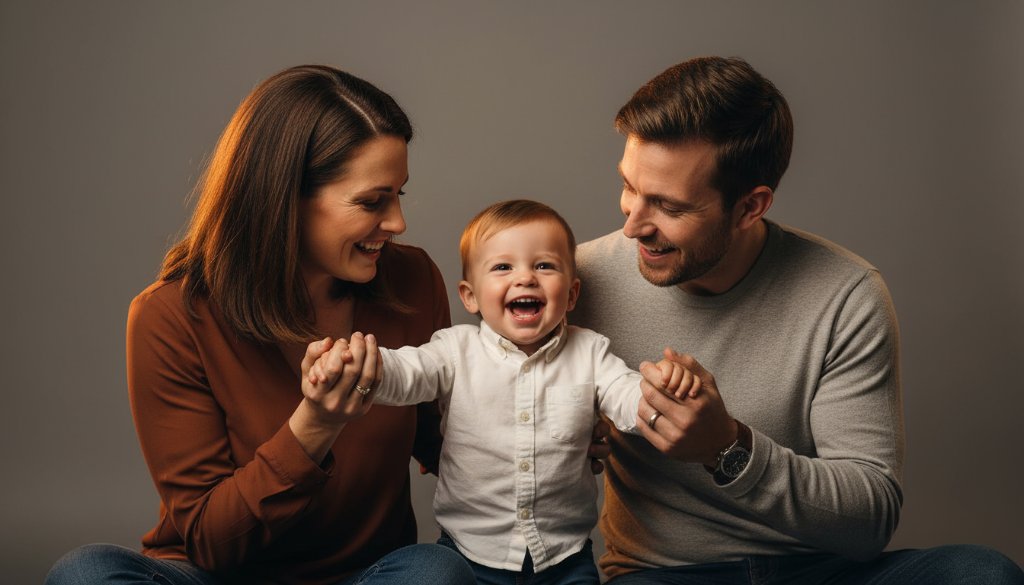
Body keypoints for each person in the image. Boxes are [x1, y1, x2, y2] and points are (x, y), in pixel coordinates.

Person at [572, 56, 1024, 584]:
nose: (632, 226)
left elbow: (870, 520)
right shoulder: (579, 283)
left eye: (668, 207)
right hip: (663, 575)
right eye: (629, 186)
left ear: (750, 206)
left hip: (822, 572)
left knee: (981, 573)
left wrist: (728, 449)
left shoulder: (845, 295)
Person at [45, 65, 481, 585]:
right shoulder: (169, 315)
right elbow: (210, 539)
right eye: (371, 201)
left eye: (398, 196)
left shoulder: (412, 279)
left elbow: (446, 439)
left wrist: (549, 424)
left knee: (437, 572)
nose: (396, 223)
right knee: (85, 573)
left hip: (369, 574)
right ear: (284, 197)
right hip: (214, 575)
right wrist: (316, 424)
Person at [307, 199, 698, 585]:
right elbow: (408, 372)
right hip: (470, 556)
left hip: (563, 559)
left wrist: (658, 391)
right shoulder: (455, 350)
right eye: (502, 267)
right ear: (470, 296)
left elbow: (624, 393)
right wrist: (357, 364)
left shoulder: (591, 351)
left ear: (573, 294)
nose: (525, 278)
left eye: (544, 265)